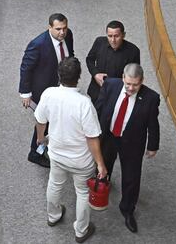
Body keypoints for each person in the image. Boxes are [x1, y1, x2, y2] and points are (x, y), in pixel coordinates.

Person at [35, 57, 106, 243]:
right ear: (79, 77)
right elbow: (92, 138)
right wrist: (100, 164)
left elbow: (40, 120)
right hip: (81, 161)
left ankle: (53, 216)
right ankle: (81, 230)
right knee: (82, 193)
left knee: (54, 184)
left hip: (57, 154)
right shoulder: (84, 103)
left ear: (59, 76)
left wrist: (40, 138)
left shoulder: (48, 93)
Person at [95, 64, 160, 234]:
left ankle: (127, 210)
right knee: (103, 164)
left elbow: (153, 124)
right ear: (123, 78)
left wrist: (153, 145)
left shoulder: (151, 98)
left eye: (135, 85)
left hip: (131, 143)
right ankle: (102, 187)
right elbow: (99, 108)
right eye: (128, 83)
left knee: (131, 178)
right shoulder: (110, 85)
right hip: (108, 136)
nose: (131, 88)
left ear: (142, 81)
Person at [19, 13, 74, 167]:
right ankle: (35, 152)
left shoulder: (68, 36)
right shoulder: (38, 44)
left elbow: (70, 55)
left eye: (64, 28)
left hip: (61, 86)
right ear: (49, 27)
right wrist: (25, 93)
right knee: (44, 120)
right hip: (43, 90)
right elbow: (26, 68)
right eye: (58, 29)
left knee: (53, 119)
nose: (62, 32)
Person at [85, 20, 141, 102]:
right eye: (110, 36)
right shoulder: (99, 42)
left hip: (118, 93)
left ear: (123, 35)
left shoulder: (133, 51)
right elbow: (89, 59)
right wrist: (95, 74)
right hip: (97, 90)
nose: (113, 40)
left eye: (116, 36)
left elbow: (134, 74)